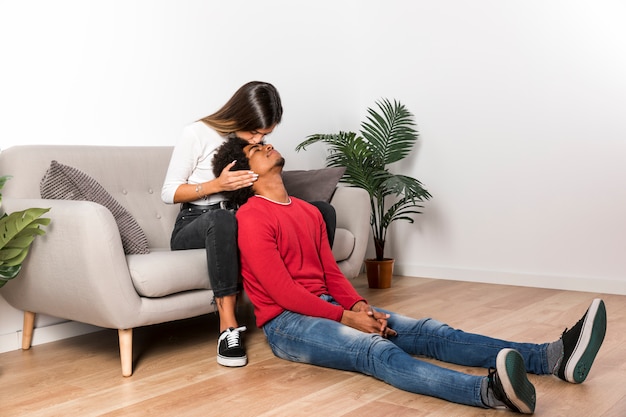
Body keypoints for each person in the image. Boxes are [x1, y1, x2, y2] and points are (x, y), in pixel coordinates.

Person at [211, 137, 607, 413]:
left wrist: (360, 304)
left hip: (330, 308)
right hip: (289, 324)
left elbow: (330, 272)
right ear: (244, 174)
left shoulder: (309, 210)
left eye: (263, 142)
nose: (264, 144)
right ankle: (489, 393)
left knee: (434, 332)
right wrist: (347, 318)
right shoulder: (251, 216)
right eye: (254, 149)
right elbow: (281, 291)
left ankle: (550, 358)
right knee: (377, 350)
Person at [161, 81, 336, 367]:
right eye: (254, 131)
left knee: (320, 211)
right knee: (222, 218)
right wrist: (216, 185)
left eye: (265, 134)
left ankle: (317, 298)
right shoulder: (196, 133)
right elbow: (168, 192)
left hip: (239, 218)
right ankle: (228, 327)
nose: (258, 139)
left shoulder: (250, 144)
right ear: (240, 114)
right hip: (196, 221)